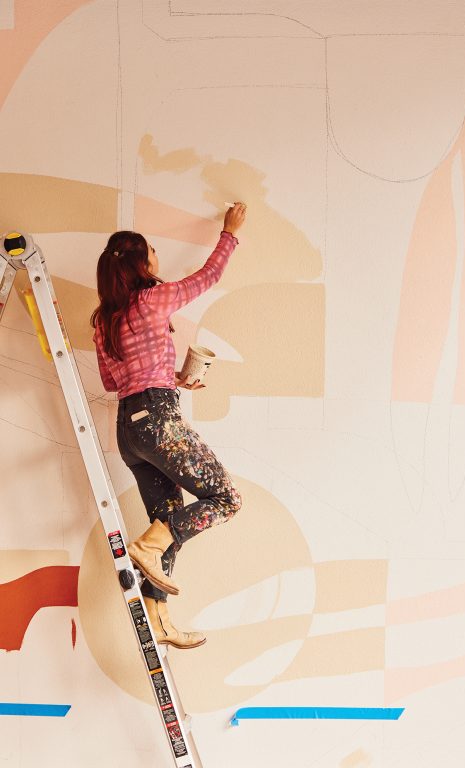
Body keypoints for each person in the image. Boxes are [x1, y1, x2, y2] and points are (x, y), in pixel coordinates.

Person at [91, 202, 247, 649]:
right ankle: (147, 547)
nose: (158, 257)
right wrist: (229, 232)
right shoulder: (153, 299)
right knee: (227, 498)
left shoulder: (103, 321)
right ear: (141, 264)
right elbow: (208, 277)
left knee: (168, 521)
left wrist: (172, 377)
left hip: (129, 431)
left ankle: (159, 619)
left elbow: (110, 380)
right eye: (152, 252)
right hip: (159, 420)